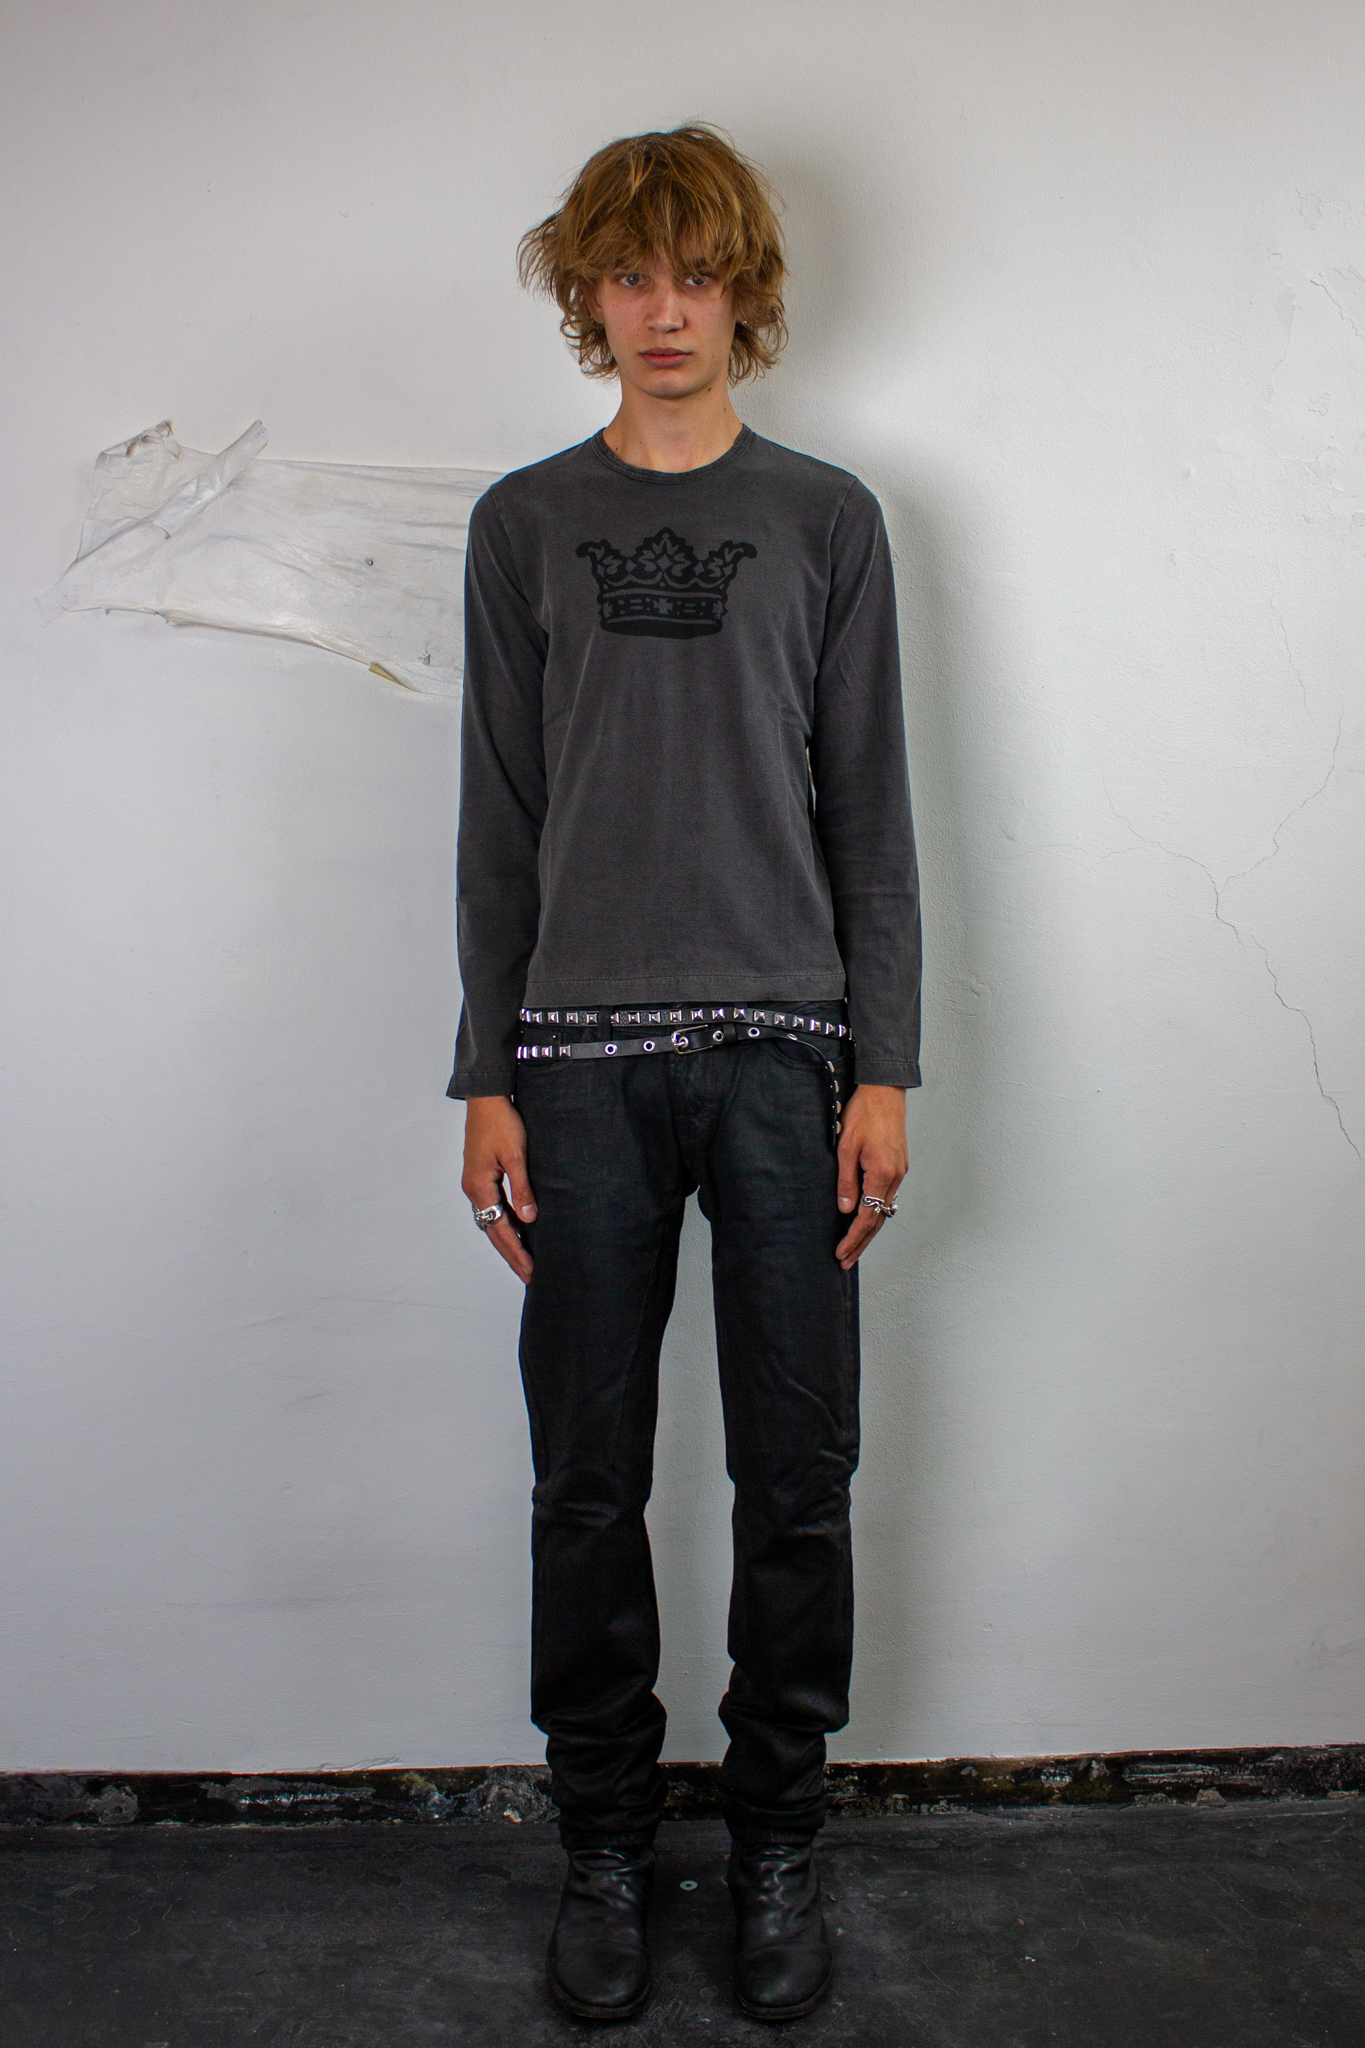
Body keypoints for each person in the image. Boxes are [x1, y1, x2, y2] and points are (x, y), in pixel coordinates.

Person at [449, 123, 921, 2024]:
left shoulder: (827, 520)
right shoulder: (522, 525)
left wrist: (884, 1066)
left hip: (786, 1059)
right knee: (584, 1480)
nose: (665, 310)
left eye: (696, 273)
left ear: (745, 293)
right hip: (573, 1063)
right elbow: (498, 816)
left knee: (796, 1476)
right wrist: (486, 1071)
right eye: (631, 275)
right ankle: (604, 1840)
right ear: (589, 297)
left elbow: (869, 811)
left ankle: (781, 1837)